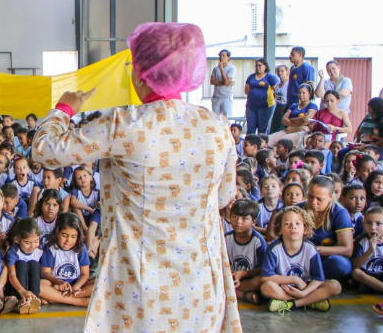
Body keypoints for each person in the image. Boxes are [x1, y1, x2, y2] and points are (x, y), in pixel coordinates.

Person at [32, 22, 241, 332]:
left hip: (139, 285)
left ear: (142, 72)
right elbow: (224, 197)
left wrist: (65, 108)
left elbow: (44, 150)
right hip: (200, 284)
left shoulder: (123, 125)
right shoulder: (217, 127)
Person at [245, 59, 280, 135]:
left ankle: (262, 145)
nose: (258, 67)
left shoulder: (270, 77)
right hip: (251, 107)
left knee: (262, 130)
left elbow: (277, 91)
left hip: (266, 107)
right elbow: (246, 90)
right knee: (250, 128)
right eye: (256, 65)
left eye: (260, 65)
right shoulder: (251, 77)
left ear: (265, 66)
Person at [210, 49, 235, 118]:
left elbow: (226, 81)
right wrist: (224, 83)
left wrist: (221, 69)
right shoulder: (215, 68)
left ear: (228, 58)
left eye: (224, 56)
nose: (221, 57)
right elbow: (212, 81)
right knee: (215, 118)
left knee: (226, 118)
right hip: (216, 97)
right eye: (220, 56)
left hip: (226, 97)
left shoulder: (232, 68)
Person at [271, 64, 291, 133]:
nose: (280, 73)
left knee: (282, 127)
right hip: (278, 106)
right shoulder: (277, 85)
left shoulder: (289, 84)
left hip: (286, 106)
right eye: (278, 71)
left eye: (282, 71)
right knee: (275, 127)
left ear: (287, 72)